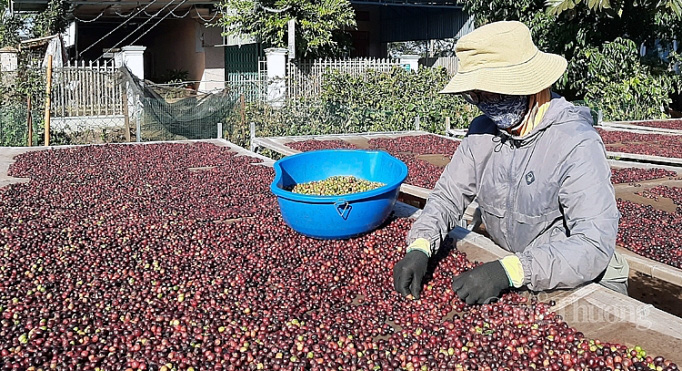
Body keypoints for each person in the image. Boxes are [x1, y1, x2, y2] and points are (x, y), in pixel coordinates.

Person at [392, 20, 629, 305]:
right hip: (512, 262)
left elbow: (592, 244)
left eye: (494, 92)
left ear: (529, 84)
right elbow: (447, 197)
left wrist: (510, 271)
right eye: (476, 95)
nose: (486, 103)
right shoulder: (482, 132)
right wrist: (420, 245)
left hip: (572, 273)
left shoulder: (575, 143)